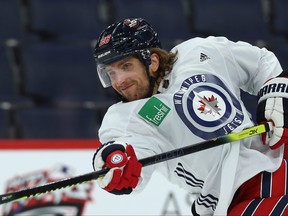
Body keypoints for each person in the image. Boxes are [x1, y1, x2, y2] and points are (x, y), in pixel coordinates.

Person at [92, 17, 288, 215]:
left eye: (126, 66)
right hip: (228, 200)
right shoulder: (123, 119)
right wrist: (113, 161)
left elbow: (261, 62)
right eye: (111, 73)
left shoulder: (199, 52)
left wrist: (277, 95)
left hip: (272, 162)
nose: (119, 81)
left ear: (151, 61)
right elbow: (123, 150)